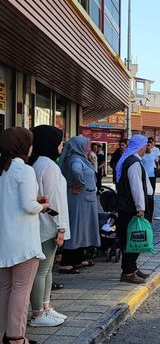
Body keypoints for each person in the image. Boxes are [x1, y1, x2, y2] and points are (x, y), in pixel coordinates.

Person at [0, 127, 49, 344]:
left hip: (4, 240)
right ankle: (17, 338)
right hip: (23, 241)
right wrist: (44, 205)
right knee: (21, 289)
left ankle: (4, 333)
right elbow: (29, 205)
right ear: (22, 146)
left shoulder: (3, 171)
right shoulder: (25, 171)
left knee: (5, 289)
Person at [27, 126, 70, 327]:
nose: (62, 145)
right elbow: (54, 200)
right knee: (42, 271)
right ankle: (38, 313)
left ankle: (45, 307)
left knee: (46, 270)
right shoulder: (49, 166)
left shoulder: (35, 163)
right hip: (49, 225)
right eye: (60, 141)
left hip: (40, 223)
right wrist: (61, 227)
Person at [115, 135, 153, 284]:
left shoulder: (131, 160)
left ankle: (133, 268)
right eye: (145, 145)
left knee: (134, 237)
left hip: (129, 206)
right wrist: (141, 208)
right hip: (133, 208)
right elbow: (136, 187)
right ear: (140, 146)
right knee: (134, 238)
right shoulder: (134, 162)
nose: (146, 148)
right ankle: (128, 272)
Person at [59, 136, 100, 273]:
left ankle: (78, 258)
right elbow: (76, 170)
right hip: (79, 199)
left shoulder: (81, 158)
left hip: (84, 199)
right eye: (86, 145)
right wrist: (80, 183)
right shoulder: (76, 159)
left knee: (83, 228)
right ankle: (67, 262)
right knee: (76, 227)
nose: (88, 147)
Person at [140, 138, 160, 221]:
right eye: (147, 145)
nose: (148, 147)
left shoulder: (153, 154)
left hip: (152, 176)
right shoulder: (142, 155)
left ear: (151, 146)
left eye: (149, 145)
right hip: (145, 176)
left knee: (151, 194)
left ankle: (150, 215)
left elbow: (157, 162)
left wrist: (158, 167)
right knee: (144, 194)